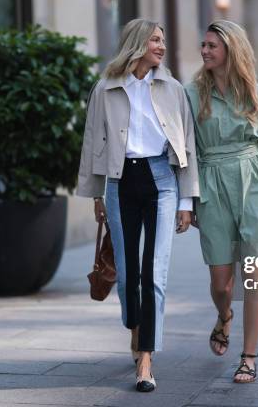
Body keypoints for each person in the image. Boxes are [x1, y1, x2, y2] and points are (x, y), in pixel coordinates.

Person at [77, 19, 199, 392]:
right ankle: (135, 331)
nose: (161, 47)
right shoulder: (107, 88)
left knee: (155, 273)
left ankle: (145, 358)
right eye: (155, 40)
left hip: (162, 180)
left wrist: (185, 200)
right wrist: (97, 194)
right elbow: (91, 140)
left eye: (163, 40)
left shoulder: (173, 88)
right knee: (129, 273)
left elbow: (188, 145)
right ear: (137, 43)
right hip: (119, 182)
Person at [185, 20, 258, 384]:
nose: (204, 52)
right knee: (221, 283)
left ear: (230, 51)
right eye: (203, 45)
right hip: (213, 184)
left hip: (255, 185)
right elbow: (184, 148)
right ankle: (224, 317)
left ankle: (249, 356)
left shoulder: (255, 94)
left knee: (253, 276)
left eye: (212, 46)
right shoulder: (191, 94)